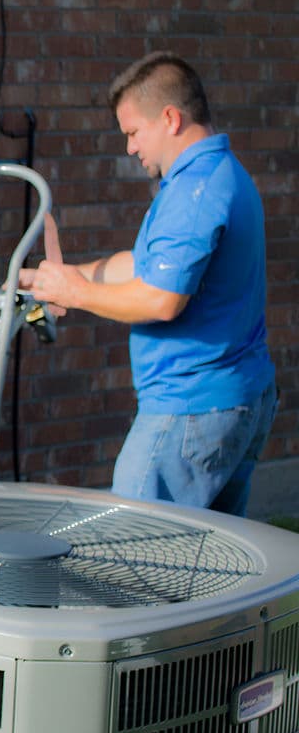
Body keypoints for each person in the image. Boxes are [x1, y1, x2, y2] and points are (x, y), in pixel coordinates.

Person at [19, 52, 277, 517]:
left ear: (171, 119)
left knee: (130, 562)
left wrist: (74, 295)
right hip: (233, 397)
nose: (130, 148)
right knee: (208, 574)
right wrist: (68, 277)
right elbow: (145, 266)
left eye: (133, 133)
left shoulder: (194, 192)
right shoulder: (219, 175)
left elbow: (161, 299)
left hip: (190, 411)